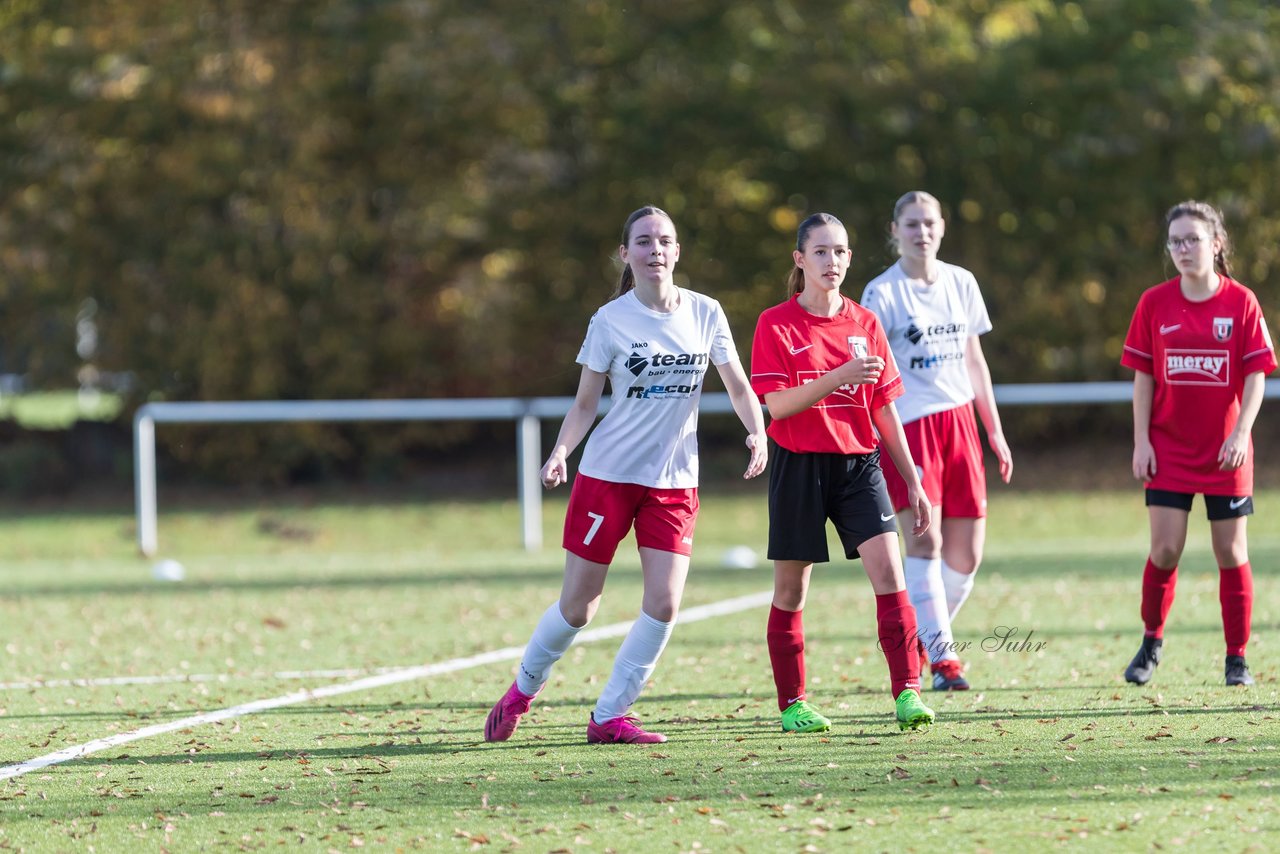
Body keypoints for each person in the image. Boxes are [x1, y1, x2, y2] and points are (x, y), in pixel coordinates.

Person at [484, 205, 768, 745]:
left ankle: (609, 715)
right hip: (608, 477)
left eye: (664, 241)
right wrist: (560, 452)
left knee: (664, 603)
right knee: (578, 608)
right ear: (626, 254)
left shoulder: (706, 313)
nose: (655, 250)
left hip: (675, 482)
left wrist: (756, 430)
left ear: (677, 251)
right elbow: (586, 404)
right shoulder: (610, 320)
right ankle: (522, 691)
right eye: (643, 241)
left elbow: (737, 385)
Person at [750, 212, 936, 734]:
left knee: (891, 575)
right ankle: (793, 704)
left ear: (850, 258)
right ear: (800, 260)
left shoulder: (866, 323)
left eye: (840, 252)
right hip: (798, 466)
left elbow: (884, 409)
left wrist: (914, 480)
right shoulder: (775, 323)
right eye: (821, 252)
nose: (832, 261)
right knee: (791, 592)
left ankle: (908, 693)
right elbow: (779, 406)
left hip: (860, 465)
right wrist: (840, 376)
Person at [860, 191, 1013, 691]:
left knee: (966, 556)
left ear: (942, 227)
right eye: (911, 224)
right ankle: (945, 662)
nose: (921, 232)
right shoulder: (881, 293)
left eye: (929, 223)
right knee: (926, 542)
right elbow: (871, 375)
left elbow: (974, 361)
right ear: (895, 230)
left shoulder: (961, 282)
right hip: (911, 427)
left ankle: (922, 639)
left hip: (961, 424)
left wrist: (993, 429)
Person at [1121, 200, 1275, 687]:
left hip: (1225, 452)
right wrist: (1141, 440)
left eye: (1193, 239)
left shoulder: (1241, 302)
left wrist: (1240, 432)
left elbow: (1255, 378)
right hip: (1167, 450)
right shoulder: (1154, 302)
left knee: (1230, 553)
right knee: (1165, 550)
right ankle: (1151, 642)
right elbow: (1143, 378)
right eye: (1176, 241)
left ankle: (1237, 659)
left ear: (1217, 243)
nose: (1184, 248)